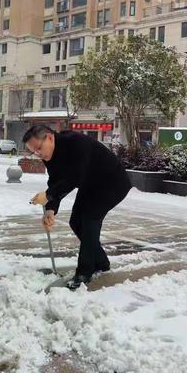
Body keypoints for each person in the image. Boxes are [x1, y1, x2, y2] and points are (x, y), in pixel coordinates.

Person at [23, 124, 132, 290]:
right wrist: (50, 209)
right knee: (75, 222)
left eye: (38, 148)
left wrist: (48, 195)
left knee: (89, 220)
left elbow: (75, 176)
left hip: (112, 182)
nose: (38, 154)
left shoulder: (75, 142)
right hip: (90, 184)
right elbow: (56, 181)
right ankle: (101, 262)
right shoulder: (48, 156)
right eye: (34, 152)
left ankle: (84, 272)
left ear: (50, 137)